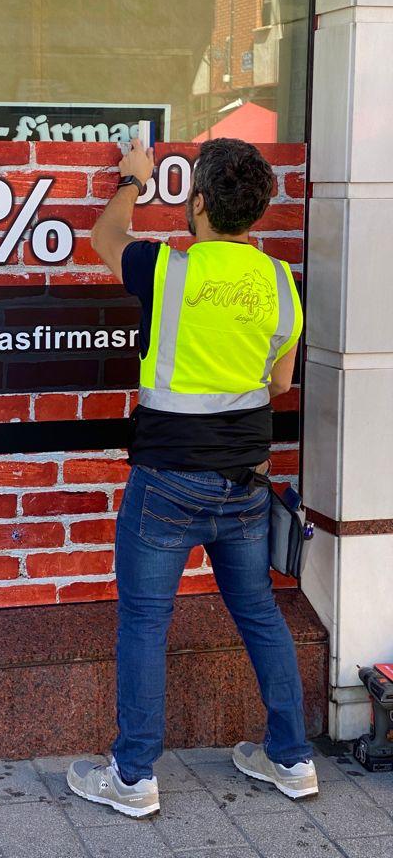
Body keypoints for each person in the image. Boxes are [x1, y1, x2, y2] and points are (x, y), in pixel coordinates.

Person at [66, 137, 318, 818]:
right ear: (256, 212)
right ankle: (293, 760)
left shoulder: (165, 268)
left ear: (199, 202)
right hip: (244, 485)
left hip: (167, 482)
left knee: (146, 622)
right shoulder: (281, 283)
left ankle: (133, 777)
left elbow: (104, 237)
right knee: (259, 613)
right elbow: (279, 383)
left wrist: (132, 180)